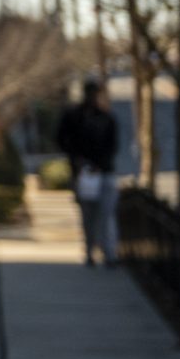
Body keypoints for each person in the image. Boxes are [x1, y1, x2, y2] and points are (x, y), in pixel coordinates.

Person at [55, 76, 121, 267]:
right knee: (88, 216)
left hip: (104, 173)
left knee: (106, 215)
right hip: (83, 174)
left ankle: (109, 253)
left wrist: (100, 164)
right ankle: (90, 250)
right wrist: (78, 161)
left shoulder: (107, 118)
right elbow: (62, 140)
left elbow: (112, 146)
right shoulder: (73, 116)